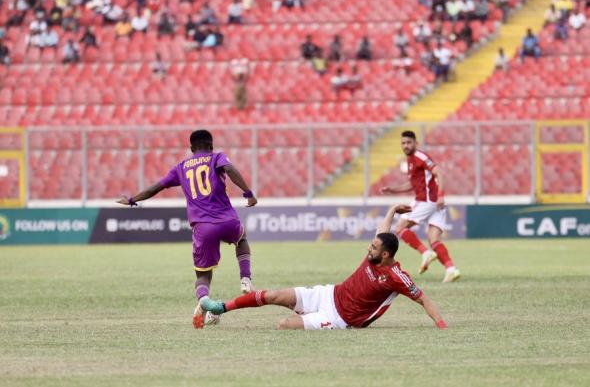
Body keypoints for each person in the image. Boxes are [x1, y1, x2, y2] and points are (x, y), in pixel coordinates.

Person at [195, 205, 448, 330]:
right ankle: (221, 308)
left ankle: (305, 320)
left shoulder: (396, 276)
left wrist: (441, 326)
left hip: (338, 318)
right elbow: (382, 230)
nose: (368, 249)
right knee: (271, 295)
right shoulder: (376, 253)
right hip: (328, 293)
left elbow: (424, 299)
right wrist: (393, 209)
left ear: (386, 254)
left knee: (284, 325)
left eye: (373, 248)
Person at [116, 130, 258, 328]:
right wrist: (248, 193)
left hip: (202, 226)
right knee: (241, 239)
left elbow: (156, 187)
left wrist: (132, 200)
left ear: (191, 149)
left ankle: (204, 300)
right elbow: (231, 169)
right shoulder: (217, 157)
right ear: (211, 146)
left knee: (203, 274)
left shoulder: (181, 167)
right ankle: (245, 279)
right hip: (226, 220)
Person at [380, 130, 461, 283]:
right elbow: (412, 184)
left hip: (426, 201)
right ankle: (451, 269)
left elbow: (439, 172)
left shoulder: (420, 157)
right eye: (403, 143)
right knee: (434, 239)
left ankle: (425, 253)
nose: (406, 145)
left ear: (416, 143)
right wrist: (393, 190)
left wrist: (441, 194)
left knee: (400, 228)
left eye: (409, 142)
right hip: (434, 204)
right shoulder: (410, 160)